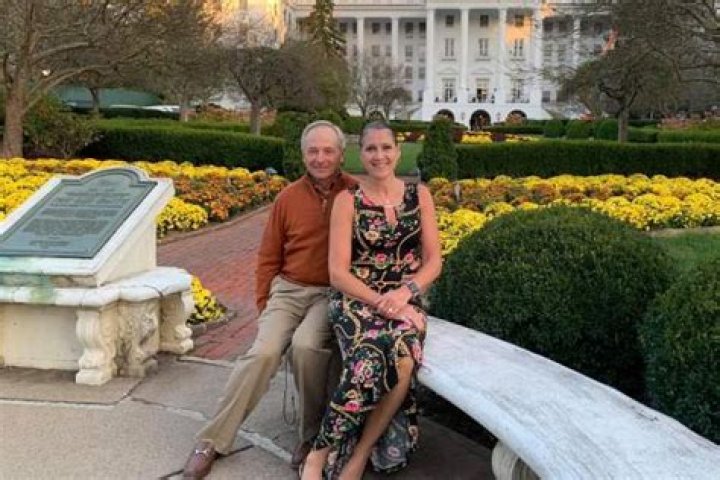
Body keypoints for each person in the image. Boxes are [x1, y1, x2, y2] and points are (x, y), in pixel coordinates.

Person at [182, 120, 356, 479]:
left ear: (341, 154)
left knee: (306, 347)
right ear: (303, 155)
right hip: (288, 290)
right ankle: (212, 439)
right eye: (313, 151)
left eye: (328, 151)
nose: (320, 158)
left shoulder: (355, 193)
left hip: (330, 293)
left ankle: (311, 437)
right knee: (262, 352)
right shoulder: (288, 198)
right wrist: (265, 306)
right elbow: (267, 258)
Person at [301, 121, 442, 480]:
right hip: (357, 299)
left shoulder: (420, 195)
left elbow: (434, 261)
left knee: (405, 357)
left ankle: (361, 453)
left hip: (405, 300)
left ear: (397, 151)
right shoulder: (348, 201)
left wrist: (405, 295)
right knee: (368, 357)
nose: (379, 155)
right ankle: (318, 454)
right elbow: (338, 273)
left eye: (386, 147)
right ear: (360, 154)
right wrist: (384, 302)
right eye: (371, 149)